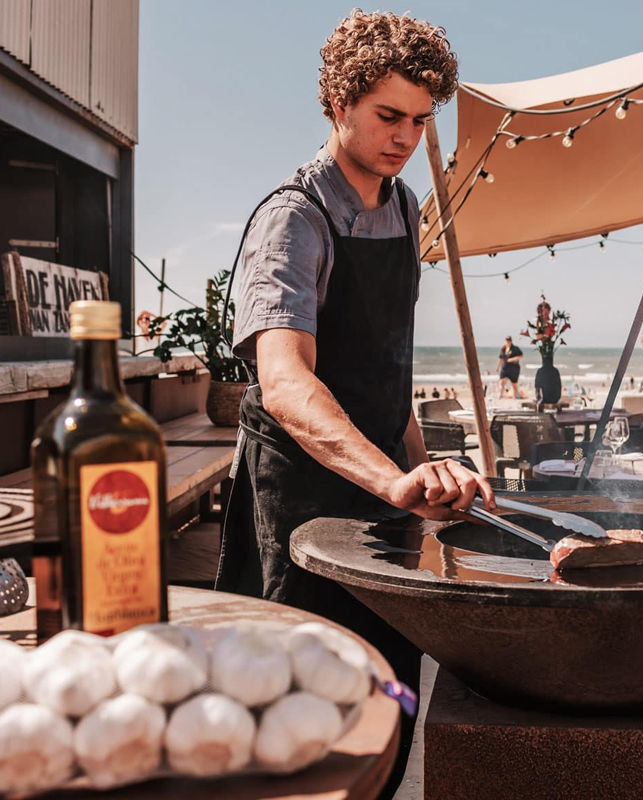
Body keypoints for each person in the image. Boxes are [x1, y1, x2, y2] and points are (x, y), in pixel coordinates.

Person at [217, 12, 493, 795]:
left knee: (387, 696)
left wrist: (424, 481)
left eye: (420, 120)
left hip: (385, 500)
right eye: (388, 116)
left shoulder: (406, 211)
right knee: (300, 713)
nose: (406, 138)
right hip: (301, 501)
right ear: (339, 104)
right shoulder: (291, 219)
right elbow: (287, 382)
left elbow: (384, 379)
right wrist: (393, 482)